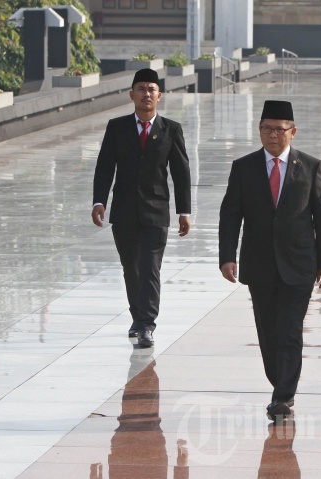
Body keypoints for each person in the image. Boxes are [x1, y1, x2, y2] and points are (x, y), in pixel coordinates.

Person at [218, 100, 321, 421]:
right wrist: (227, 256)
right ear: (259, 131)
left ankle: (283, 394)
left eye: (279, 130)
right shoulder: (243, 168)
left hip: (300, 264)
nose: (273, 135)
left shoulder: (310, 166)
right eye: (267, 129)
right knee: (268, 332)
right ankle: (279, 382)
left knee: (290, 330)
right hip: (259, 265)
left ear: (292, 132)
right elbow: (231, 215)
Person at [92, 68, 192, 348]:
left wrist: (184, 211)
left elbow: (181, 173)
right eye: (141, 89)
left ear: (159, 96)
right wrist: (99, 201)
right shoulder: (117, 127)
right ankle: (137, 317)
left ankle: (147, 324)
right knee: (131, 267)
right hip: (124, 211)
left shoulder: (171, 129)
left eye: (151, 89)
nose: (146, 94)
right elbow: (105, 166)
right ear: (131, 94)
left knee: (150, 268)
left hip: (156, 211)